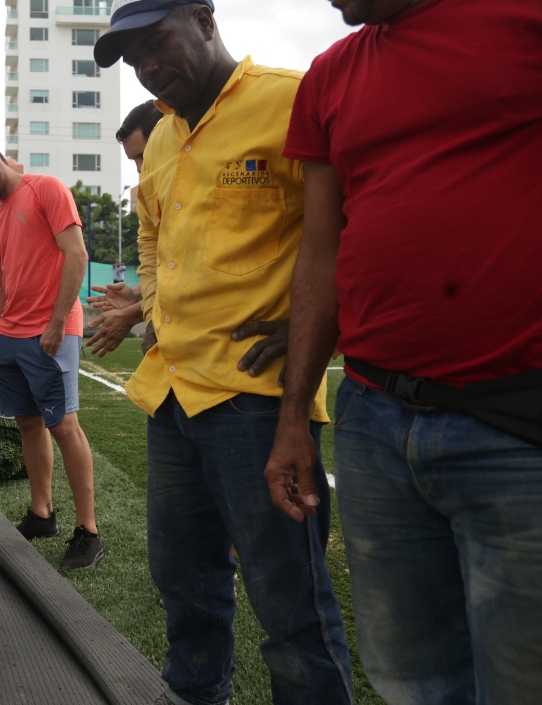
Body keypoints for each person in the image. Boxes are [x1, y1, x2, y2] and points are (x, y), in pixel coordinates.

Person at [265, 1, 542, 703]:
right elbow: (320, 256)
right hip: (374, 419)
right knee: (412, 682)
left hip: (517, 420)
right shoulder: (329, 76)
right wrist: (294, 415)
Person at [94, 2, 353, 704]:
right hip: (172, 396)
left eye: (157, 43)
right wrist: (150, 304)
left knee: (288, 604)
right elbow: (150, 235)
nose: (148, 67)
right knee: (185, 586)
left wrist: (317, 321)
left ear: (205, 19)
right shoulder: (161, 140)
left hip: (258, 400)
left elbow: (358, 219)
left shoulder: (292, 98)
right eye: (135, 59)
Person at [0, 135, 103, 571]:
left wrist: (55, 324)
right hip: (9, 335)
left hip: (51, 330)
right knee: (28, 424)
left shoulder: (46, 188)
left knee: (64, 425)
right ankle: (42, 514)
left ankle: (88, 530)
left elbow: (76, 254)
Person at [84, 100, 163, 357]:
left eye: (142, 155)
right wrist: (135, 294)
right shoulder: (149, 196)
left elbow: (195, 276)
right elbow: (164, 268)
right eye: (133, 159)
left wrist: (130, 315)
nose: (140, 168)